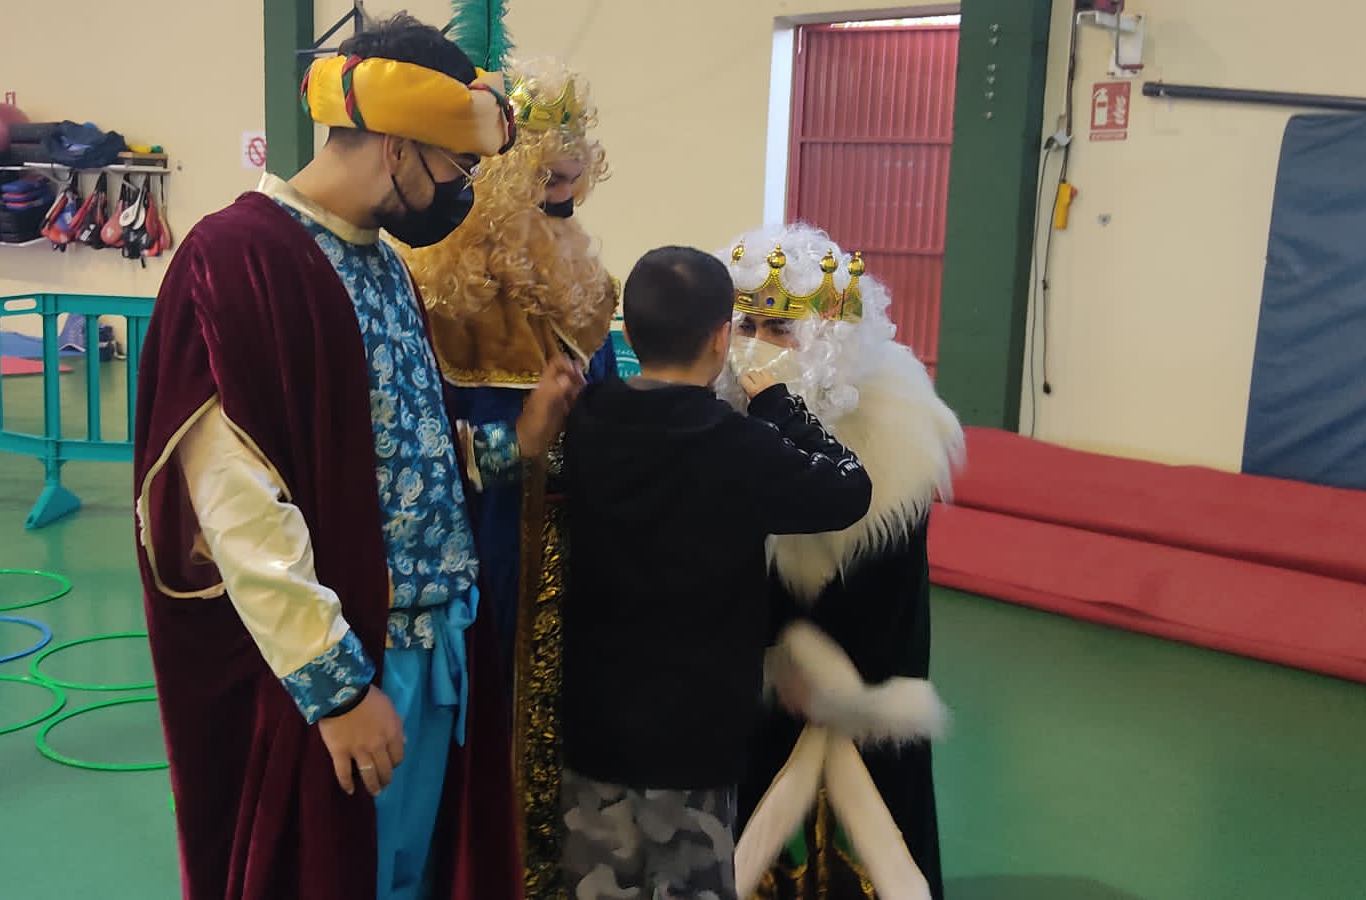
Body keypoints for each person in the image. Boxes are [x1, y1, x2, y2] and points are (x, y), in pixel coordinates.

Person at [131, 13, 540, 900]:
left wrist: (513, 448)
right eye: (455, 167)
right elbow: (235, 504)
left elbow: (399, 453)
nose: (461, 191)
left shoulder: (384, 265)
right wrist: (339, 688)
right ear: (396, 146)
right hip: (351, 660)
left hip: (440, 653)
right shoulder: (238, 260)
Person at [556, 245, 875, 900]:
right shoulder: (739, 445)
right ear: (722, 338)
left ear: (629, 332)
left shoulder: (588, 419)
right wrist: (782, 407)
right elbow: (851, 488)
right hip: (694, 740)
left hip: (595, 726)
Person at [396, 54, 618, 896]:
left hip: (568, 538)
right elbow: (418, 445)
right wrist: (518, 440)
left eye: (571, 183)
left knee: (559, 700)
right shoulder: (440, 293)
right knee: (486, 703)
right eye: (545, 182)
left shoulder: (583, 278)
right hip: (482, 538)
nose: (563, 202)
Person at [720, 224, 964, 900]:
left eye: (780, 327)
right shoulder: (726, 417)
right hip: (764, 690)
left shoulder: (898, 433)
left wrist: (823, 678)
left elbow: (887, 595)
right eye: (747, 324)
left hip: (861, 686)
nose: (758, 343)